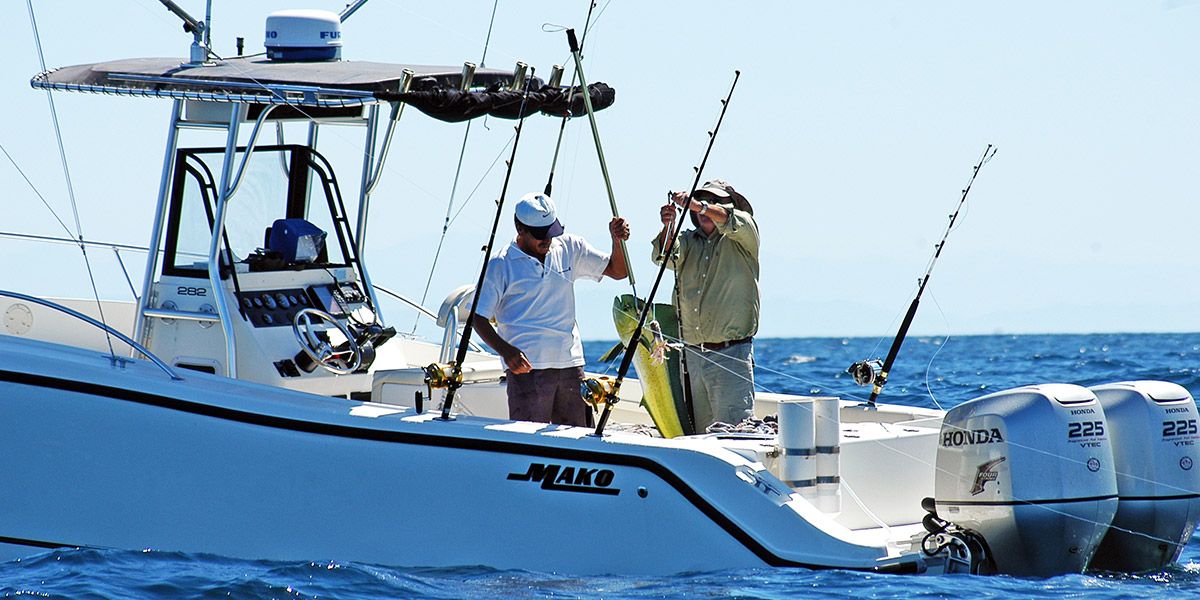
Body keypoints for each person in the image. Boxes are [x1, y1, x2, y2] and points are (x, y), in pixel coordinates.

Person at [473, 192, 630, 426]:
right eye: (539, 235)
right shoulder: (500, 264)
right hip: (527, 370)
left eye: (551, 231)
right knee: (527, 442)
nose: (547, 239)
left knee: (577, 440)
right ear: (520, 228)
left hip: (571, 364)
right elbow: (478, 317)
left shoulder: (569, 246)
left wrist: (617, 241)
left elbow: (618, 271)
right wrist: (506, 352)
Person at [651, 179, 760, 432]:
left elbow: (733, 219)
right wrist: (668, 225)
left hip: (731, 355)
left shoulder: (745, 235)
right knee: (700, 435)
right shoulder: (689, 240)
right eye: (702, 202)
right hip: (692, 357)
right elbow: (664, 256)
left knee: (733, 435)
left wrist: (698, 205)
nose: (705, 208)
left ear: (729, 206)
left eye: (714, 202)